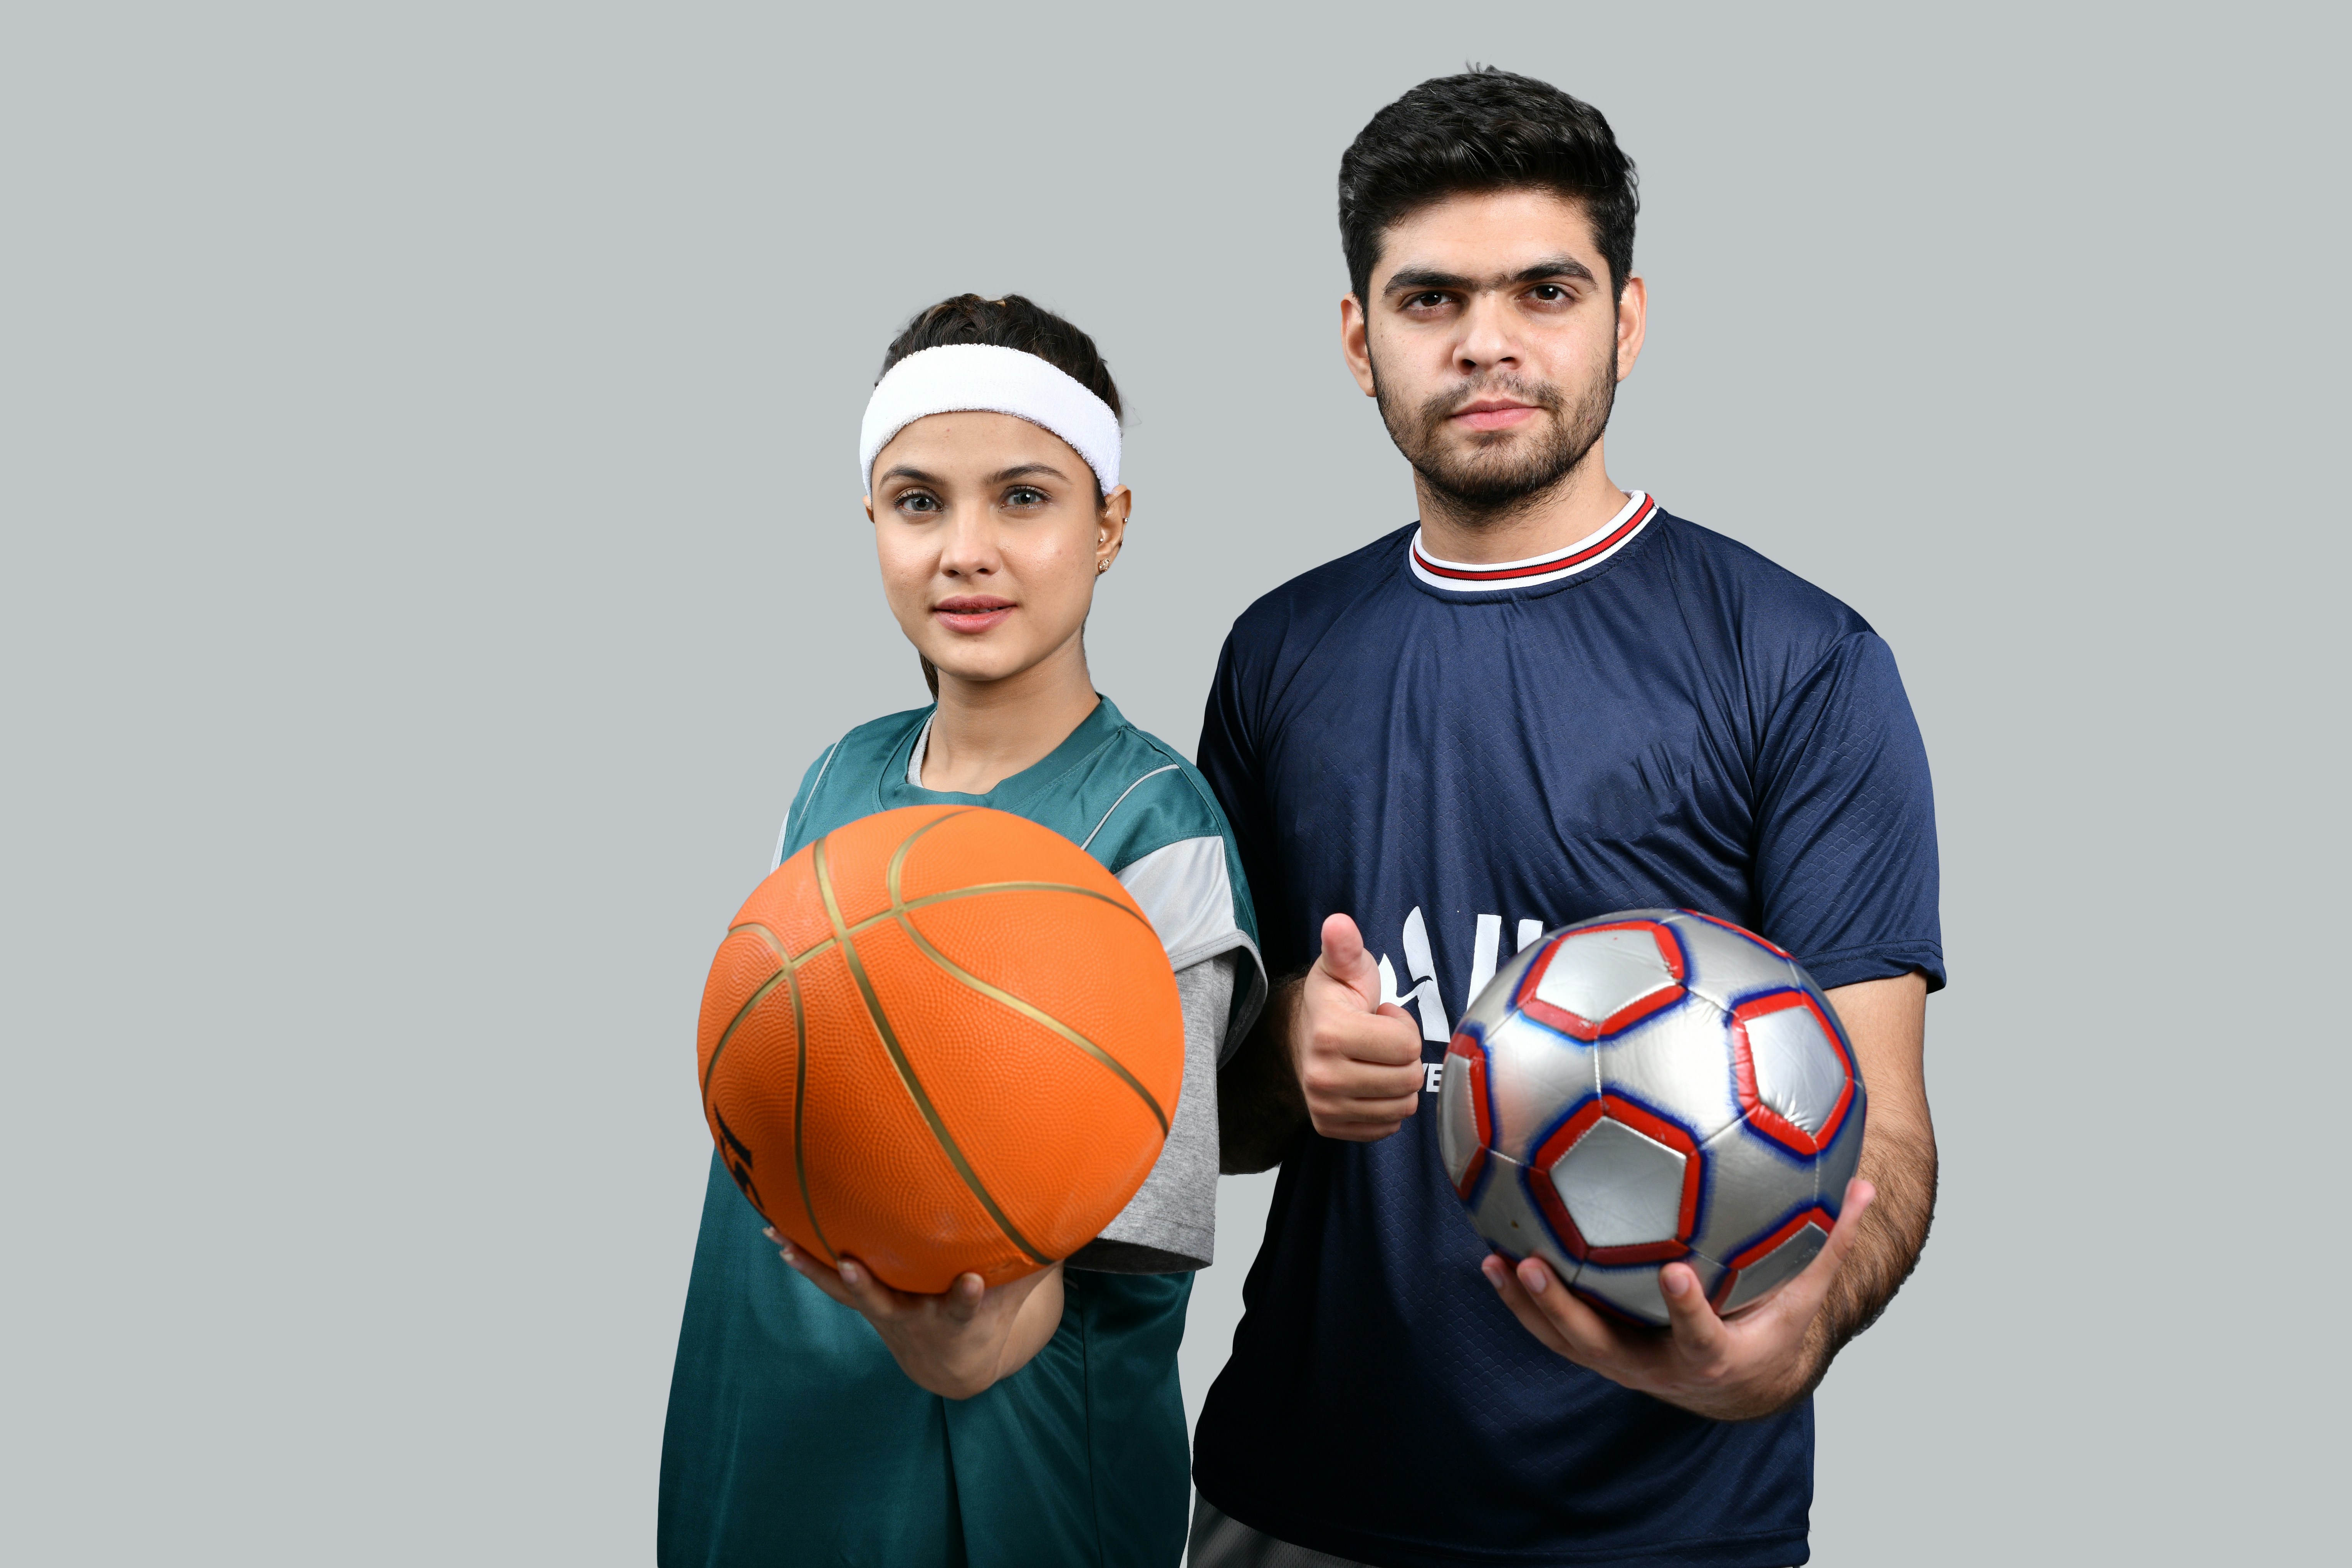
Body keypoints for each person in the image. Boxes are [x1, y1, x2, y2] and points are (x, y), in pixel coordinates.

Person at [1189, 70, 1942, 1568]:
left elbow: (1888, 1129)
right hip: (1303, 1494)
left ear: (1626, 319)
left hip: (1664, 1521)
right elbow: (1211, 1112)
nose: (1487, 342)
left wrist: (1791, 1343)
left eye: (1545, 290)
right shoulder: (1278, 653)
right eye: (1430, 298)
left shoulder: (1798, 660)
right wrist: (1283, 1057)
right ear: (1358, 339)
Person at [659, 294, 1266, 1568]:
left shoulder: (1157, 833)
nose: (965, 551)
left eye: (1024, 499)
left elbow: (1133, 1248)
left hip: (1013, 1477)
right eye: (918, 502)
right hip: (763, 1431)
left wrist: (966, 1343)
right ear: (873, 524)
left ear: (1109, 525)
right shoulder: (833, 781)